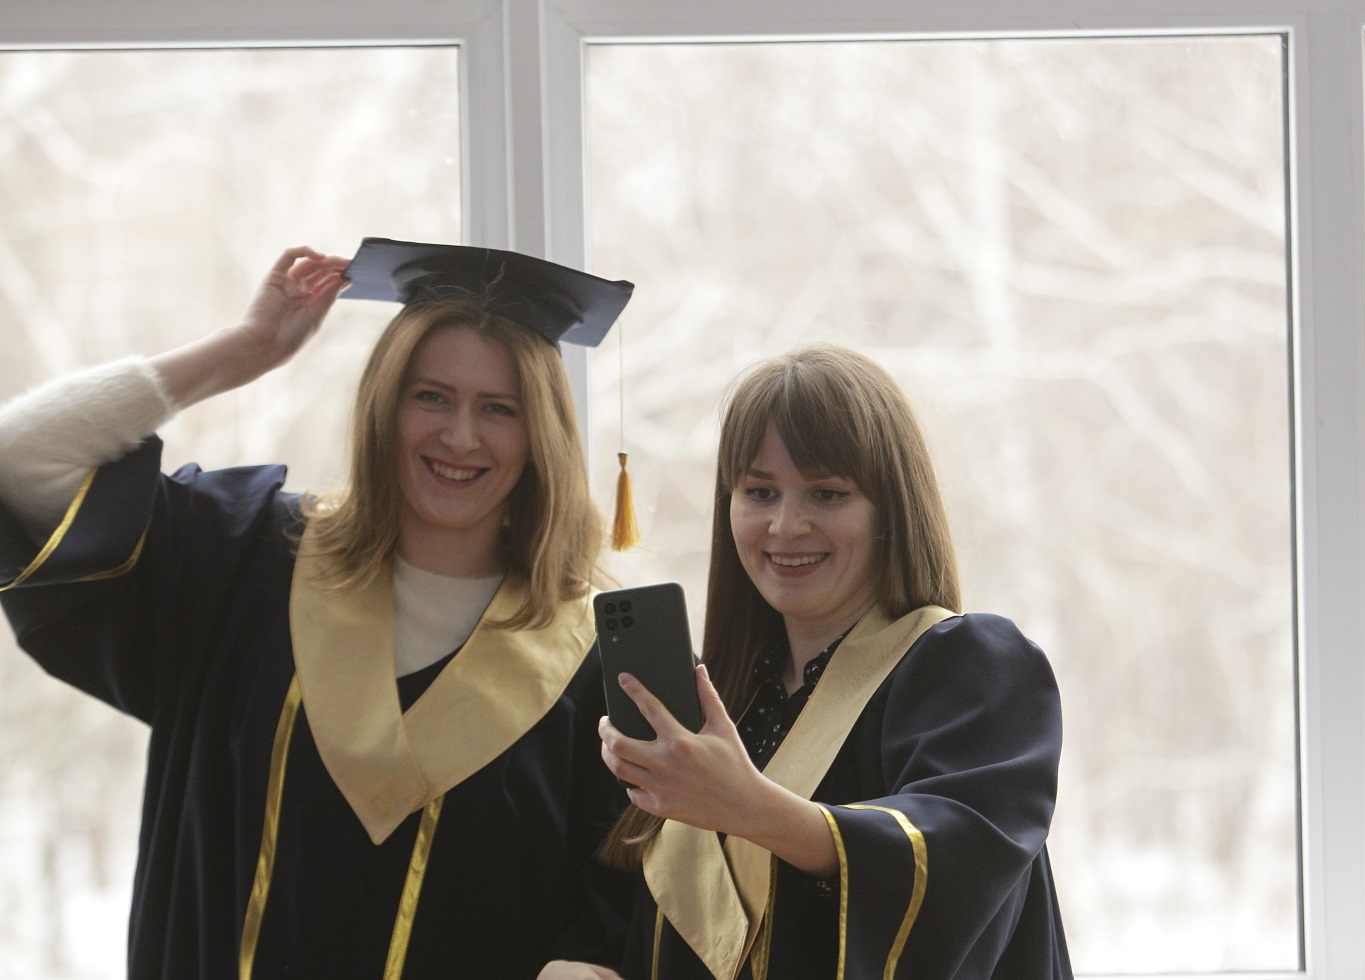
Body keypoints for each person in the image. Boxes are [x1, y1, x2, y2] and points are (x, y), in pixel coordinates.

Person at [0, 239, 632, 979]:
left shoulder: (598, 666)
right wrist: (243, 350)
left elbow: (628, 912)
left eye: (499, 409)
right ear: (383, 406)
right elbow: (20, 457)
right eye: (430, 397)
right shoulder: (243, 558)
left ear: (540, 436)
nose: (460, 436)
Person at [599, 344, 1072, 979]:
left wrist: (752, 807)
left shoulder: (965, 668)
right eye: (759, 492)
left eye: (827, 494)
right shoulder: (723, 703)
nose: (785, 525)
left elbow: (961, 863)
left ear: (891, 511)